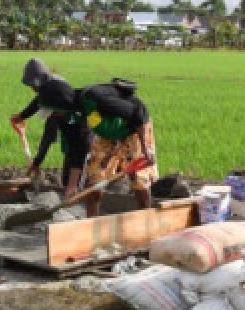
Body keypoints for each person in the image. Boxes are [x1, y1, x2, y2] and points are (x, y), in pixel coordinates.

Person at [76, 78, 157, 217]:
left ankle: (145, 218)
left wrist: (145, 148)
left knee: (139, 180)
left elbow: (140, 115)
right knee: (95, 176)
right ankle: (91, 221)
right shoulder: (84, 108)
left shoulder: (109, 103)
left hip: (134, 131)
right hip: (108, 133)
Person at [11, 58, 91, 199]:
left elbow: (79, 149)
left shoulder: (76, 119)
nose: (32, 89)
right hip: (72, 136)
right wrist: (23, 115)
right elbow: (38, 101)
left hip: (85, 142)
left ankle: (78, 202)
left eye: (33, 85)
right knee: (67, 175)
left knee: (78, 181)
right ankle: (69, 194)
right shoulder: (51, 95)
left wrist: (72, 185)